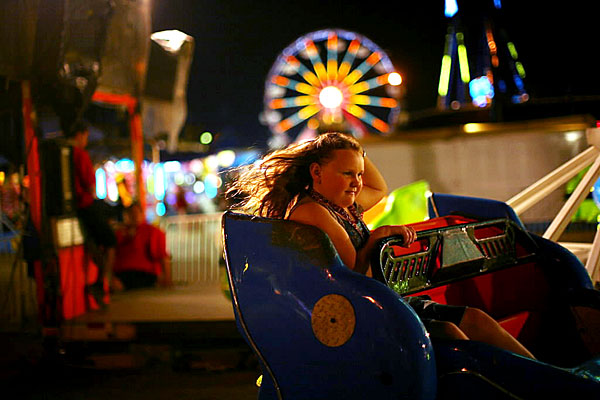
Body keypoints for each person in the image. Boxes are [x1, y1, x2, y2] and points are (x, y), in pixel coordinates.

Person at [227, 132, 535, 359]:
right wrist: (378, 236)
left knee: (475, 319)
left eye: (358, 174)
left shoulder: (341, 206)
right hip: (359, 310)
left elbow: (379, 188)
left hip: (381, 299)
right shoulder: (313, 211)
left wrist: (350, 146)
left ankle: (541, 375)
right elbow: (354, 271)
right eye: (347, 173)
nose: (357, 182)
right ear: (316, 172)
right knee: (454, 333)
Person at [69, 121, 117, 298]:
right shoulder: (80, 154)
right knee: (110, 240)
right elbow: (90, 185)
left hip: (73, 208)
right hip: (85, 205)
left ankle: (100, 279)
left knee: (92, 242)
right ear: (81, 134)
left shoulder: (65, 154)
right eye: (86, 136)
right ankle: (104, 280)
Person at [113, 201, 172, 290]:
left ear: (141, 214)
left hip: (145, 273)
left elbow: (162, 256)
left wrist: (167, 278)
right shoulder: (119, 233)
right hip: (123, 273)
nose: (134, 216)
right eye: (131, 214)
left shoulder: (152, 232)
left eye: (136, 213)